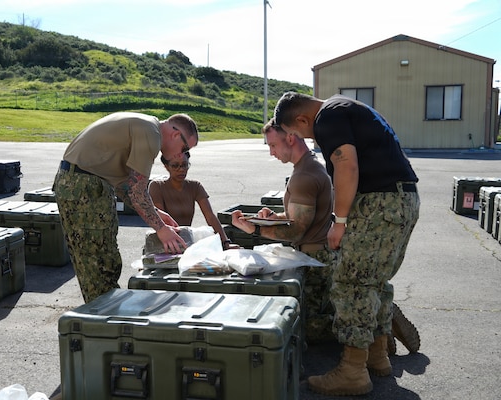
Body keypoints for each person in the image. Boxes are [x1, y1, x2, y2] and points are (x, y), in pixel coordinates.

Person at [274, 92, 420, 396]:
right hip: (401, 200)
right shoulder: (345, 106)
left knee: (350, 282)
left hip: (379, 203)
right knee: (373, 281)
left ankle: (352, 371)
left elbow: (347, 167)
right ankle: (377, 357)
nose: (306, 137)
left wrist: (339, 222)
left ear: (302, 119)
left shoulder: (327, 117)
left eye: (299, 133)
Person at [53, 112, 199, 303]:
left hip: (83, 185)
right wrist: (162, 230)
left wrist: (156, 214)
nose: (182, 155)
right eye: (185, 147)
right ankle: (102, 321)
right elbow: (138, 191)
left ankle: (103, 314)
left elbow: (127, 187)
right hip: (84, 188)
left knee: (101, 261)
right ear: (174, 133)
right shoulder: (151, 133)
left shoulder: (146, 126)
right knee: (98, 264)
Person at [231, 119, 336, 344]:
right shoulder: (307, 167)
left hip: (314, 259)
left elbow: (296, 232)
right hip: (315, 253)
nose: (271, 152)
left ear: (290, 138)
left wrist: (255, 229)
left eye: (273, 145)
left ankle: (370, 321)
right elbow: (297, 219)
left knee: (310, 330)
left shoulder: (304, 176)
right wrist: (273, 218)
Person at [149, 151, 234, 250]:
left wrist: (225, 242)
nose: (181, 169)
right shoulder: (157, 186)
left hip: (187, 240)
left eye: (185, 165)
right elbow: (161, 219)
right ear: (166, 166)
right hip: (164, 241)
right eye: (175, 166)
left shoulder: (195, 186)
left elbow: (210, 217)